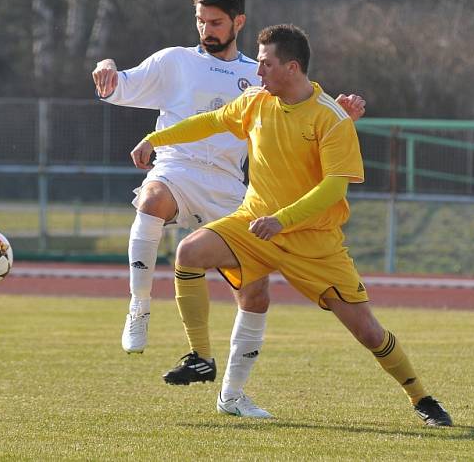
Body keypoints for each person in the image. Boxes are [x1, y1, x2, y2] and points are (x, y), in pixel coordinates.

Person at [130, 24, 453, 426]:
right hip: (255, 224)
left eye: (265, 64)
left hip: (313, 241)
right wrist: (155, 138)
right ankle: (202, 358)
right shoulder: (255, 101)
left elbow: (334, 188)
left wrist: (282, 220)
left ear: (292, 67)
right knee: (189, 253)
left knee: (369, 332)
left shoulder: (331, 118)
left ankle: (421, 397)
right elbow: (210, 122)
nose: (258, 72)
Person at [92, 0, 364, 416]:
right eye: (200, 20)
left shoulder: (259, 74)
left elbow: (304, 112)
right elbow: (116, 86)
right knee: (151, 202)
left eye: (215, 22)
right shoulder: (173, 61)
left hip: (230, 190)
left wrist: (344, 117)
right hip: (176, 169)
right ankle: (139, 306)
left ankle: (232, 395)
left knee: (254, 296)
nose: (206, 29)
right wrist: (105, 65)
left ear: (238, 22)